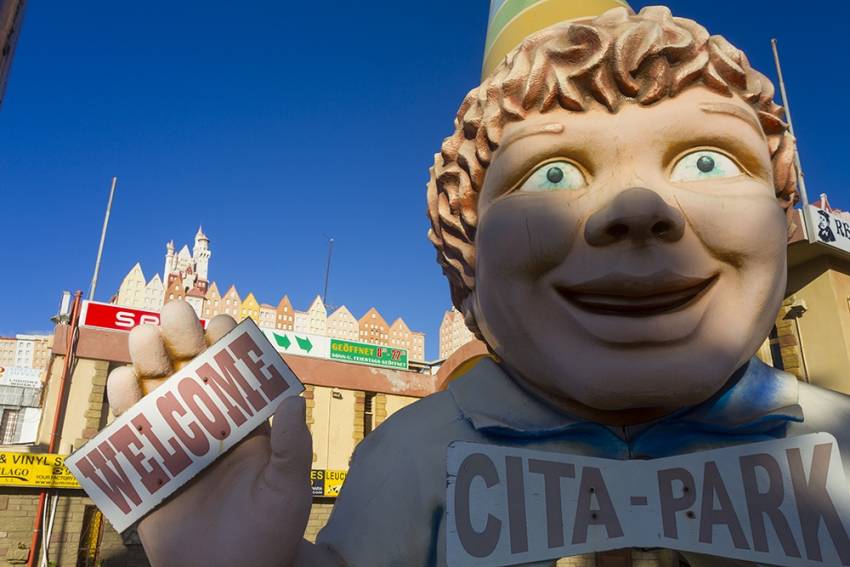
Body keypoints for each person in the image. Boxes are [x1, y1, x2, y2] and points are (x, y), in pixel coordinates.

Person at [106, 6, 850, 566]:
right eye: (552, 174)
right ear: (467, 254)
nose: (637, 210)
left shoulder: (835, 443)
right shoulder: (415, 454)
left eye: (706, 160)